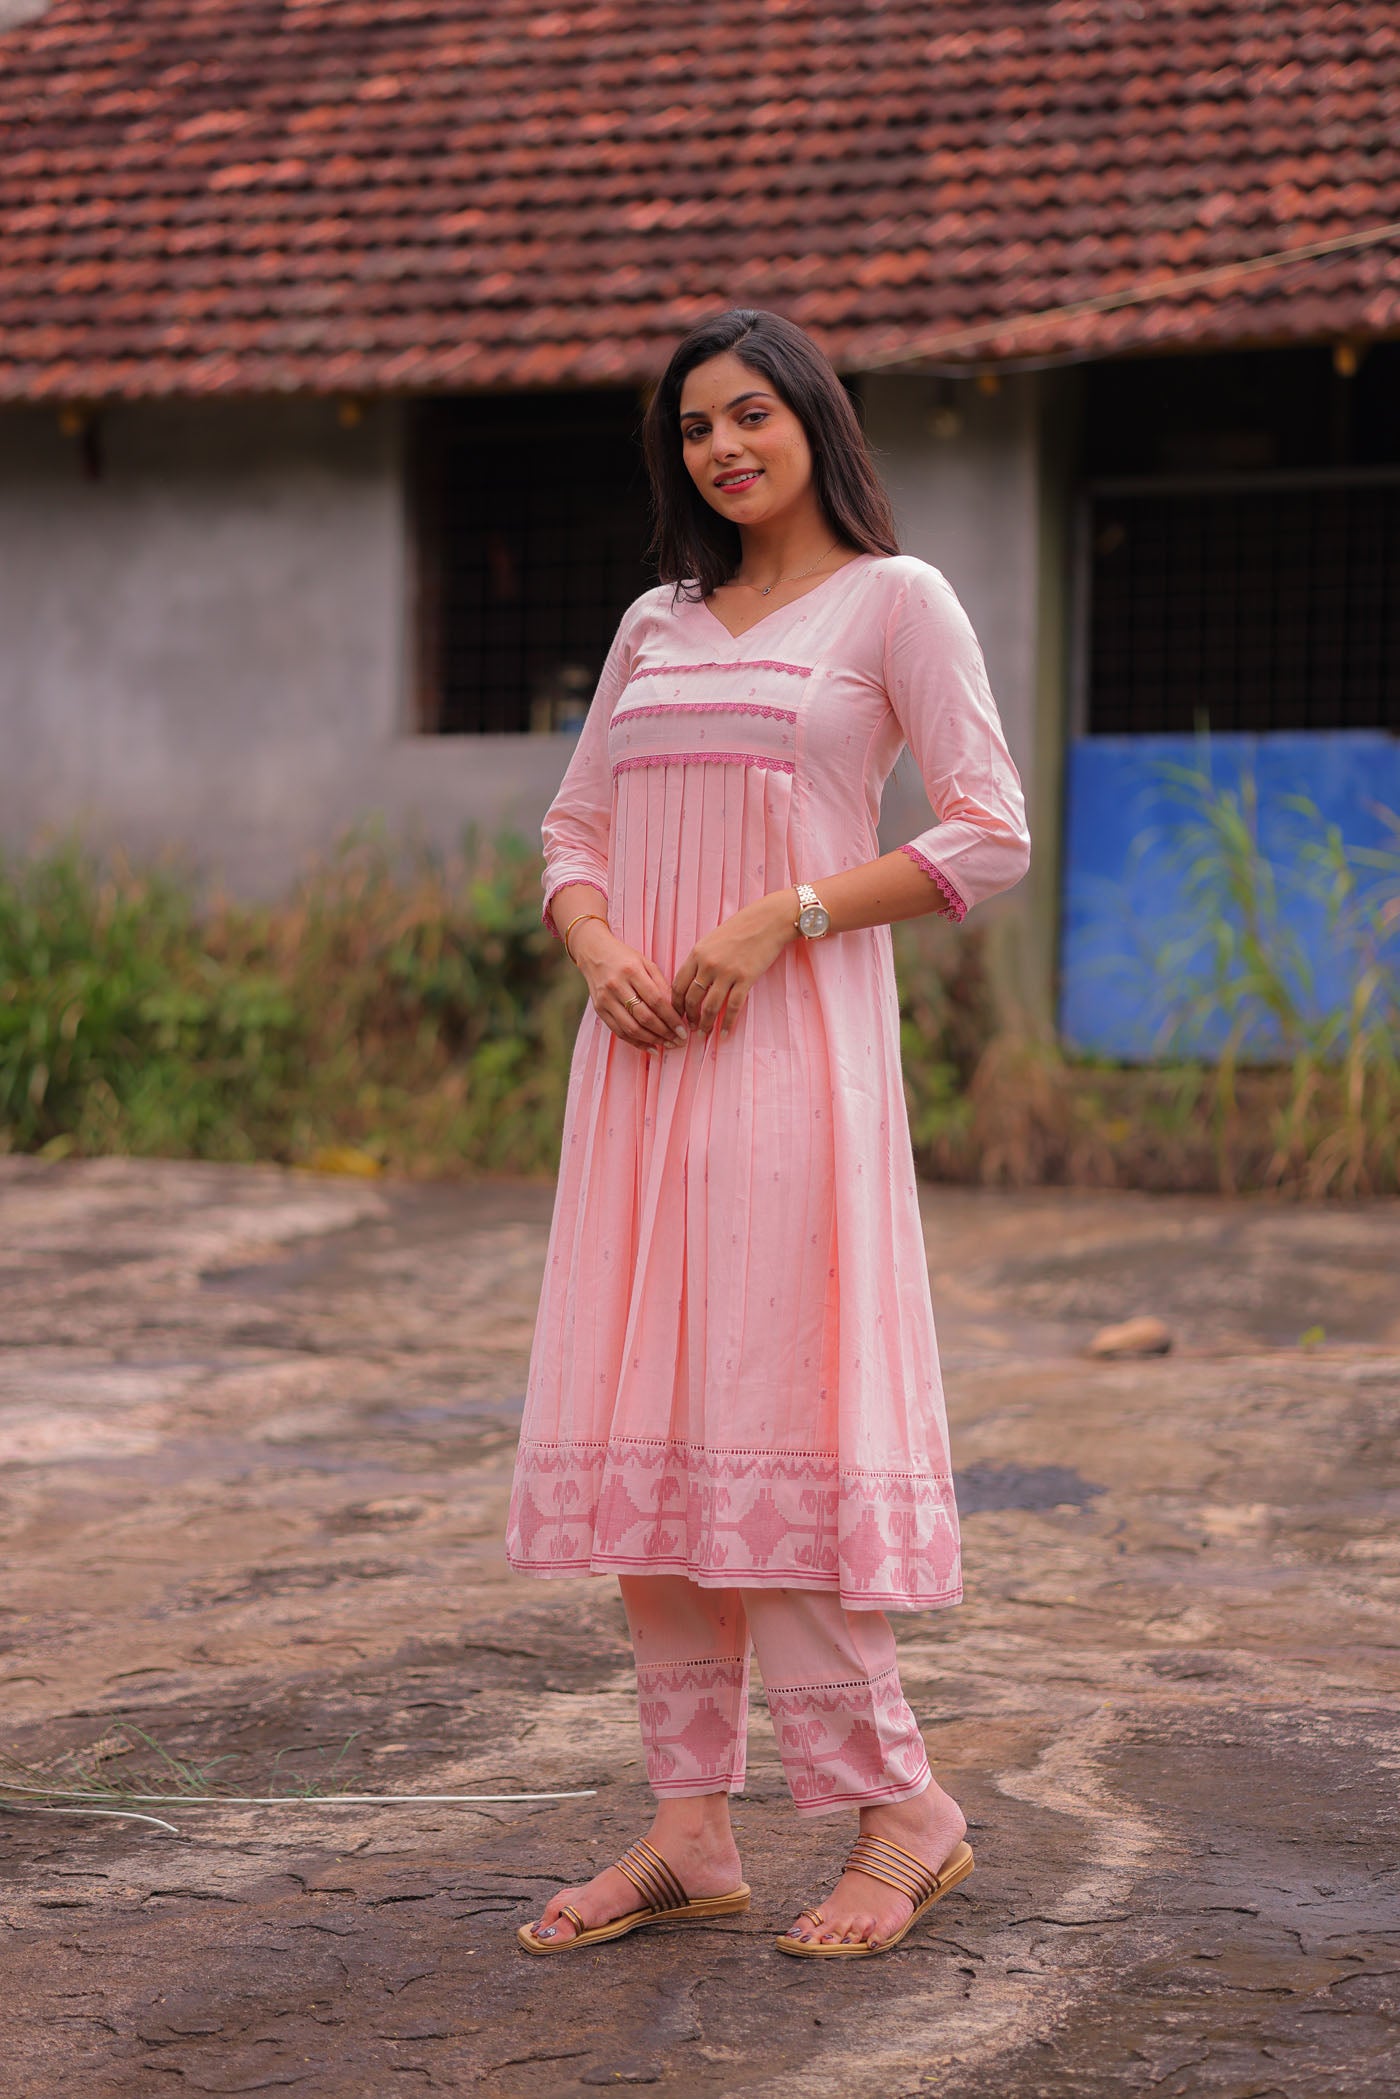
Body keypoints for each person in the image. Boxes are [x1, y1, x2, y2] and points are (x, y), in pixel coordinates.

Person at [508, 308, 1031, 1959]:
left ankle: (903, 1813)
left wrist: (782, 916)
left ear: (813, 419)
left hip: (793, 1072)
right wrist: (598, 946)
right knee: (653, 1439)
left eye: (751, 415)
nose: (723, 448)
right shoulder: (656, 622)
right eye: (694, 429)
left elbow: (991, 832)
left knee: (771, 1430)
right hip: (640, 1075)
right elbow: (573, 826)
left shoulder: (897, 601)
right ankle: (691, 1831)